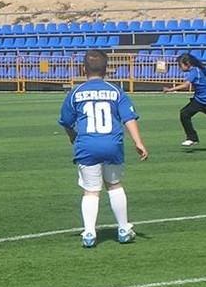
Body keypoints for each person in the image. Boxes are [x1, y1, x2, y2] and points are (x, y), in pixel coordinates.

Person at [58, 49, 148, 248]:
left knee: (90, 191)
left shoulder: (75, 93)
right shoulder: (116, 91)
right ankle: (123, 229)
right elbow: (128, 118)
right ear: (107, 70)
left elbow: (65, 121)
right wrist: (138, 142)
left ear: (83, 69)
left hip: (87, 146)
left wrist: (73, 136)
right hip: (112, 145)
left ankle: (89, 233)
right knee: (114, 185)